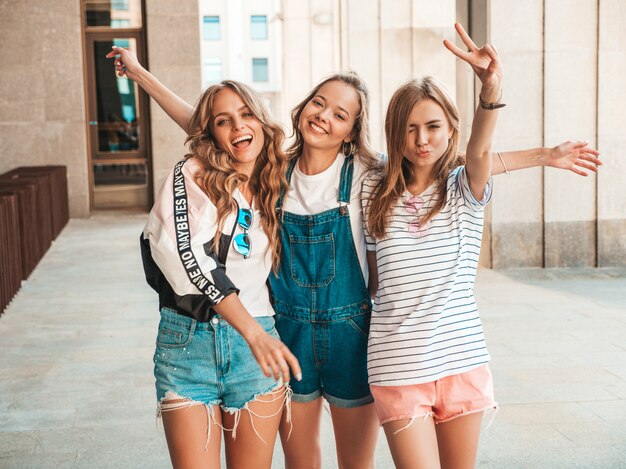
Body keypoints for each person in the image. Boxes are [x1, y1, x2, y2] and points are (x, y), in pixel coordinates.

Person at [109, 43, 600, 469]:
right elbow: (210, 127)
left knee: (355, 462)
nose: (324, 115)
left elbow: (457, 164)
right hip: (290, 332)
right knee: (302, 460)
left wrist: (543, 155)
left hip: (352, 336)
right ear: (304, 108)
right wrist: (139, 74)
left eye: (340, 114)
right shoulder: (274, 163)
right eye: (319, 104)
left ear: (352, 130)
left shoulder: (368, 173)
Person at [361, 23, 506, 468]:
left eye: (432, 126)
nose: (421, 140)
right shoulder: (373, 191)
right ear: (394, 133)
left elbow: (481, 152)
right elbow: (374, 281)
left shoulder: (465, 187)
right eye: (409, 129)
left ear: (450, 129)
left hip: (461, 358)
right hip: (396, 365)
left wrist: (491, 89)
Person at [140, 79, 301, 469]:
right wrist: (252, 333)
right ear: (210, 133)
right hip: (190, 346)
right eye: (224, 121)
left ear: (262, 122)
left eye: (247, 115)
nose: (239, 126)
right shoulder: (191, 174)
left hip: (257, 353)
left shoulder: (276, 180)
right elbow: (187, 257)